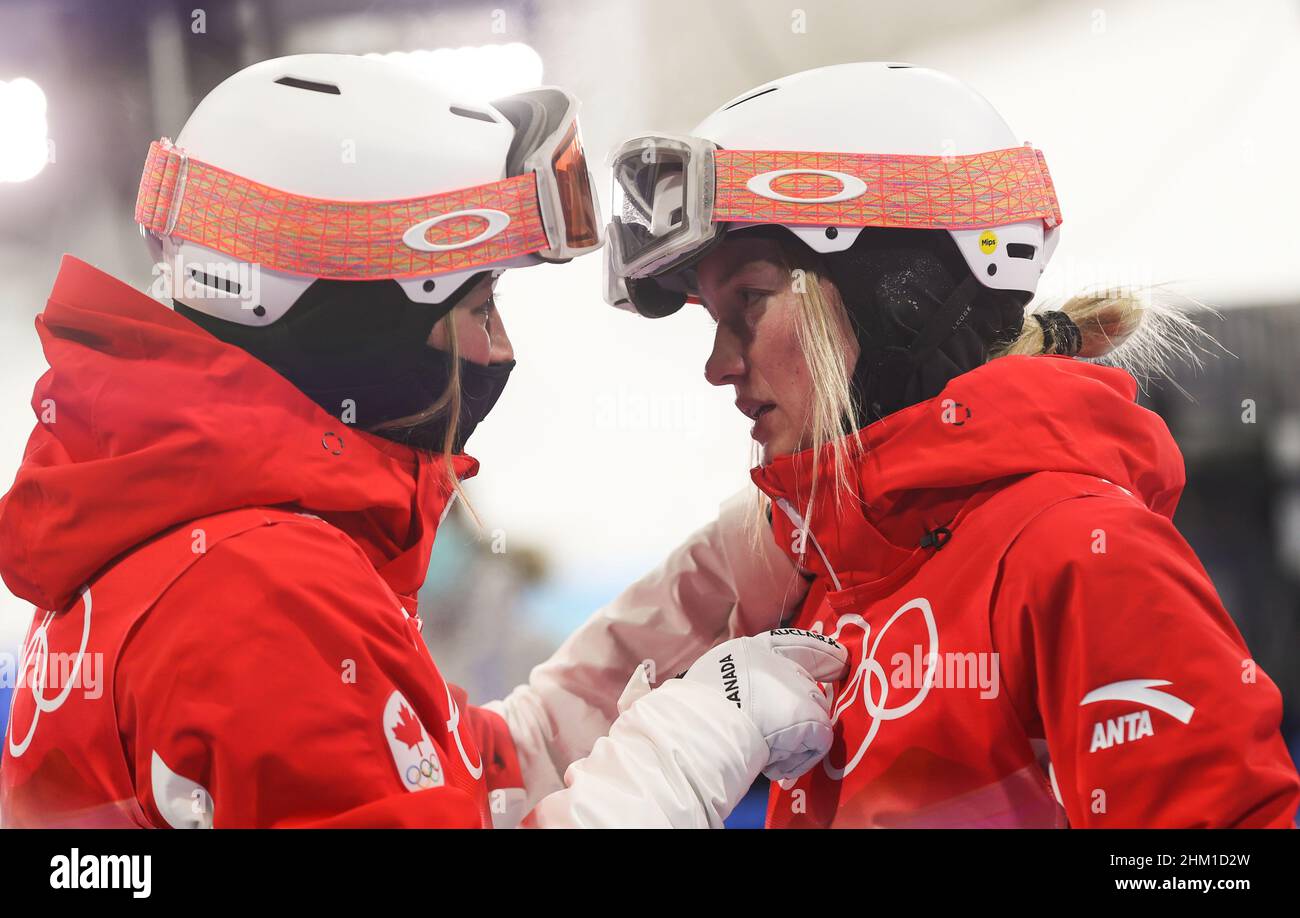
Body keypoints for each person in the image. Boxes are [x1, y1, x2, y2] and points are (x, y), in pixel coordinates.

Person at [0, 53, 847, 829]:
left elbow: (465, 781)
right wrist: (700, 733)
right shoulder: (261, 591)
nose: (500, 352)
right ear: (361, 325)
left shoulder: (178, 549)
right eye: (480, 310)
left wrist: (720, 580)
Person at [591, 61, 1300, 827]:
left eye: (751, 302)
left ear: (897, 293)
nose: (718, 366)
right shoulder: (828, 571)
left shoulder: (1079, 552)